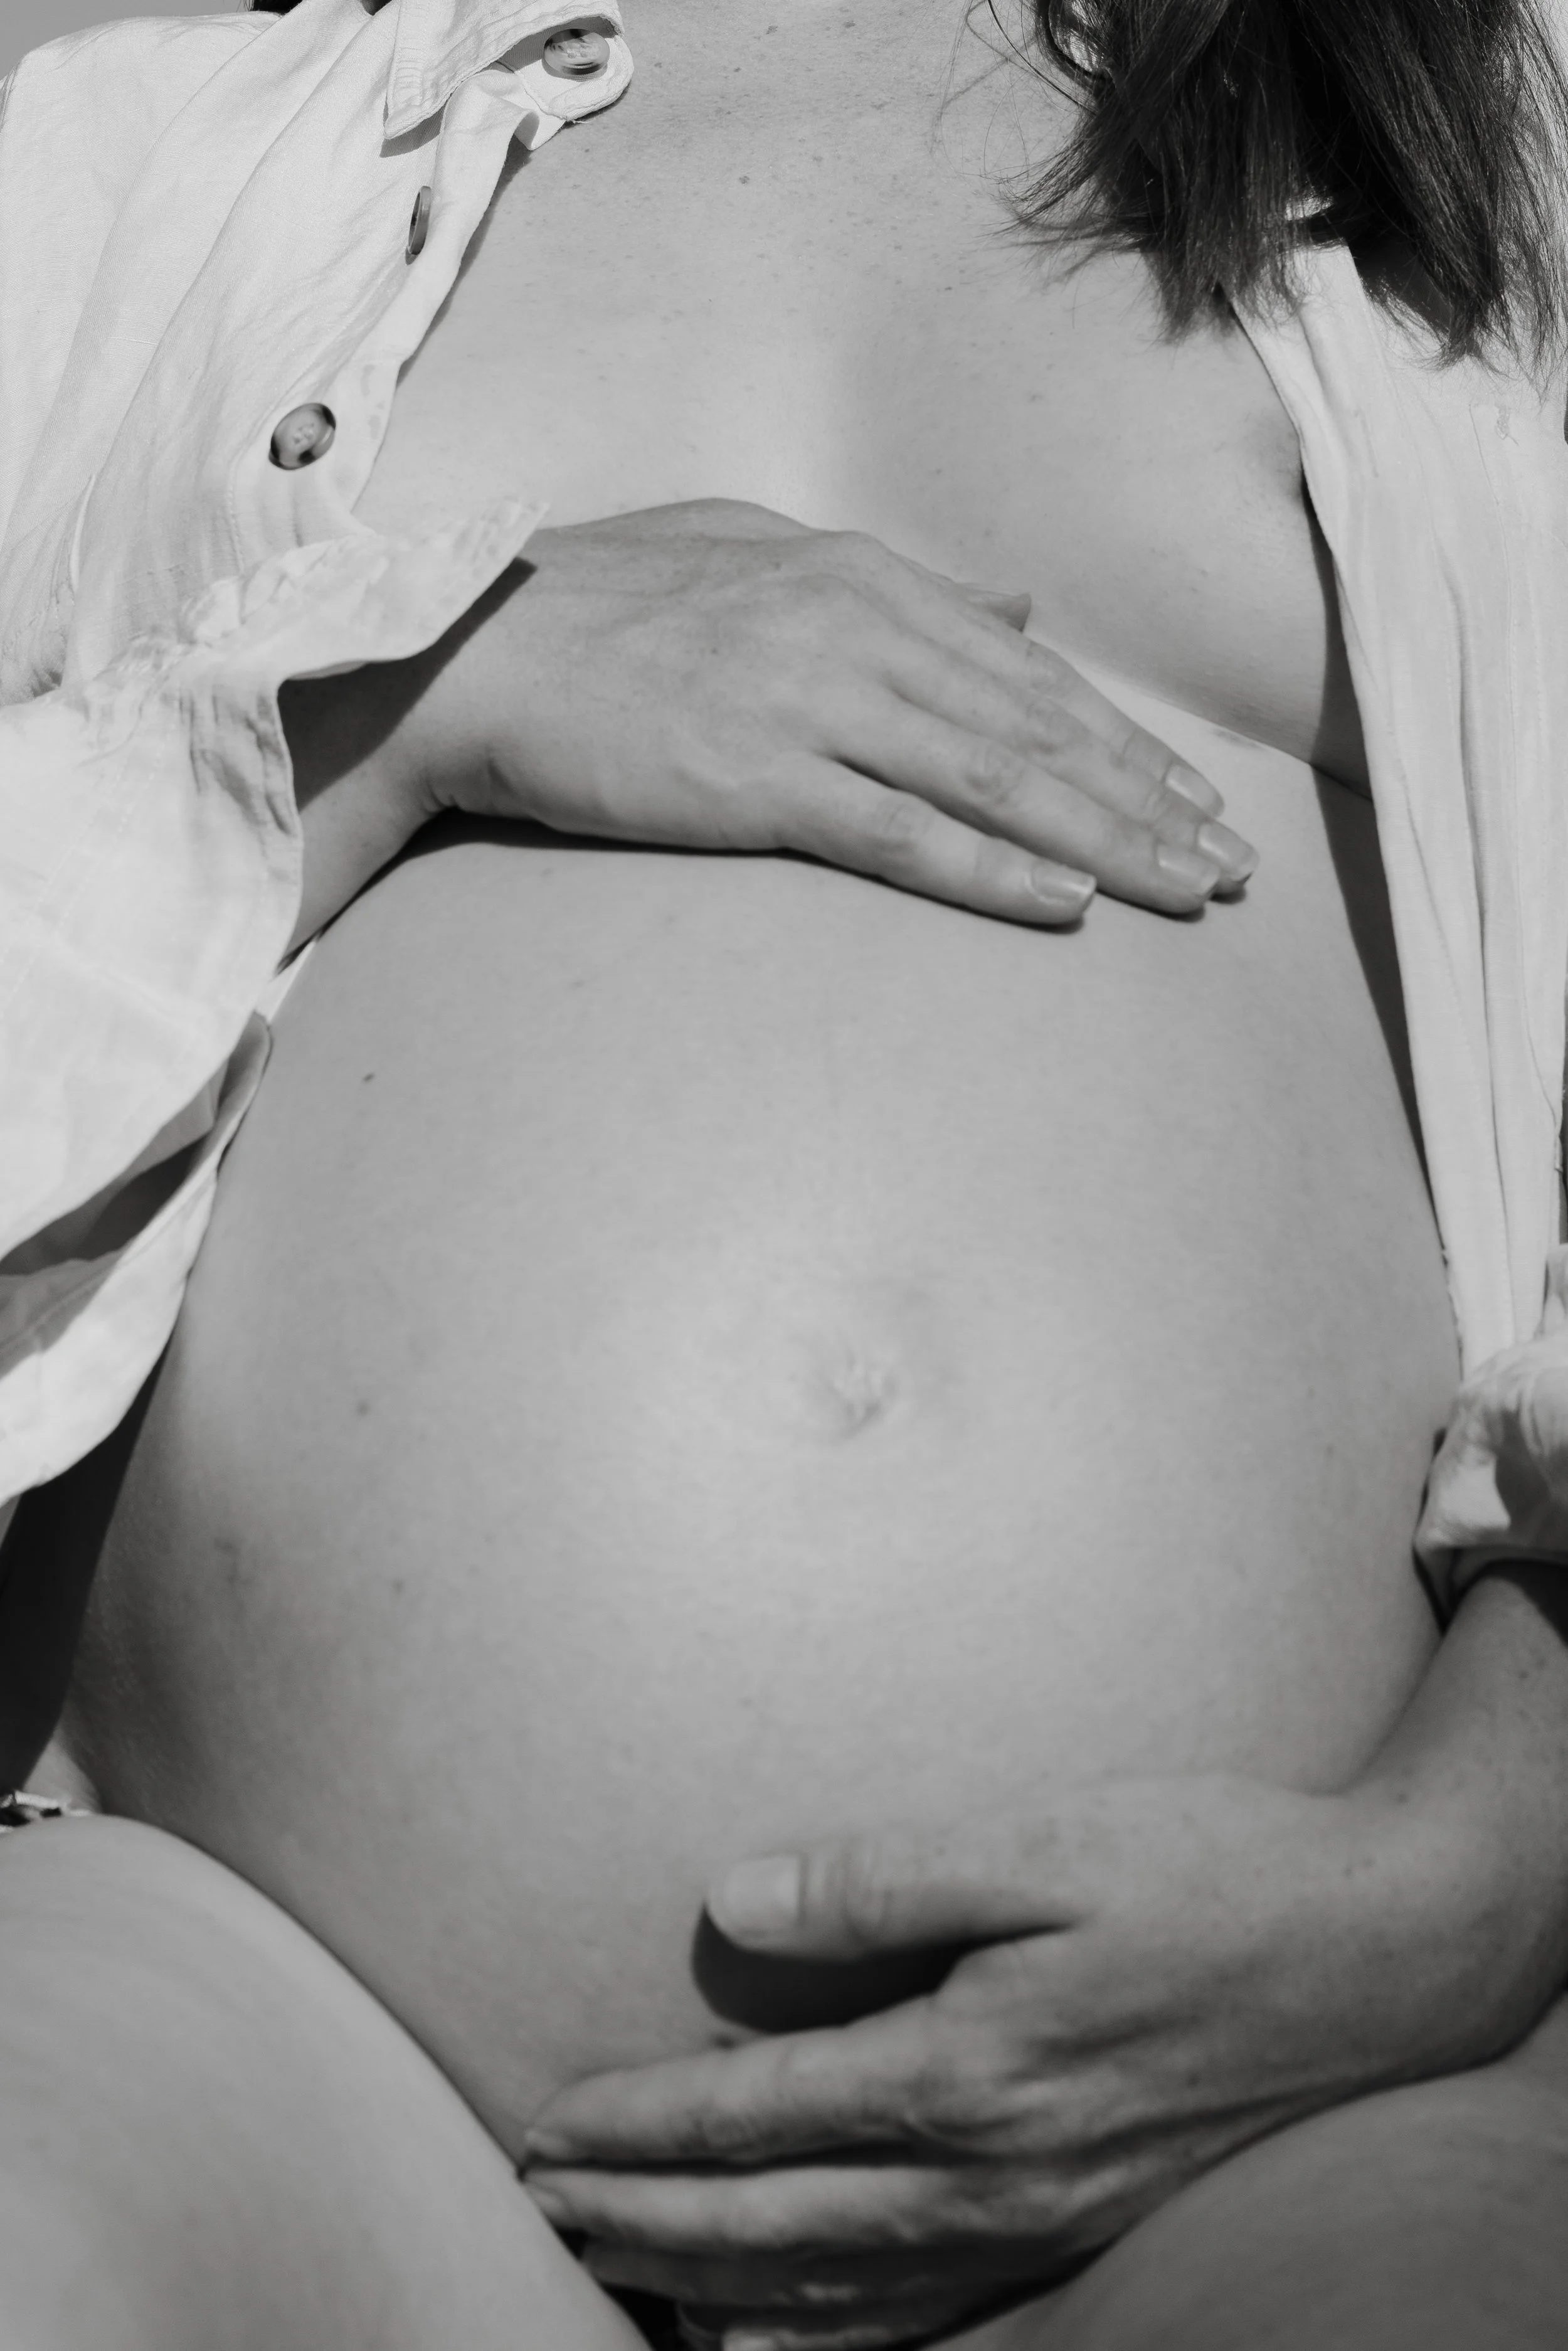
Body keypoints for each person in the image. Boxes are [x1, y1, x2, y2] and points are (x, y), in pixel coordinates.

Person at [4, 3, 1568, 2348]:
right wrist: (381, 711)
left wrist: (1481, 1865)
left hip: (1315, 2087)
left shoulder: (1505, 125)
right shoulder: (131, 171)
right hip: (258, 2016)